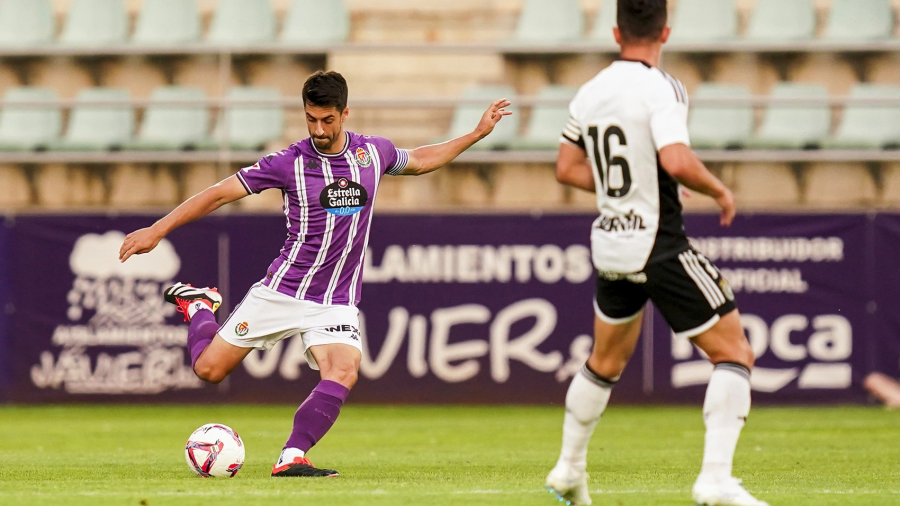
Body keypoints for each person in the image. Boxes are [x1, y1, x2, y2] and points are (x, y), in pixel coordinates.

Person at [119, 70, 511, 477]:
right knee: (209, 371)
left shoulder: (372, 154)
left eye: (327, 120)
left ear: (345, 113)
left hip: (336, 300)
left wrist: (476, 133)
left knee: (344, 369)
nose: (319, 129)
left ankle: (292, 457)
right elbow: (219, 192)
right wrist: (158, 229)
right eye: (311, 119)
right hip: (284, 290)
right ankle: (199, 305)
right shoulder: (288, 163)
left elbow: (423, 160)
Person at [544, 1, 766, 505]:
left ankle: (568, 469)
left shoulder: (591, 91)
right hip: (657, 242)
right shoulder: (661, 86)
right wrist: (718, 190)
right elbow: (676, 158)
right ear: (665, 30)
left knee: (604, 361)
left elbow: (566, 167)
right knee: (735, 352)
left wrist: (621, 194)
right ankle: (715, 480)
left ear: (616, 30)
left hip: (613, 245)